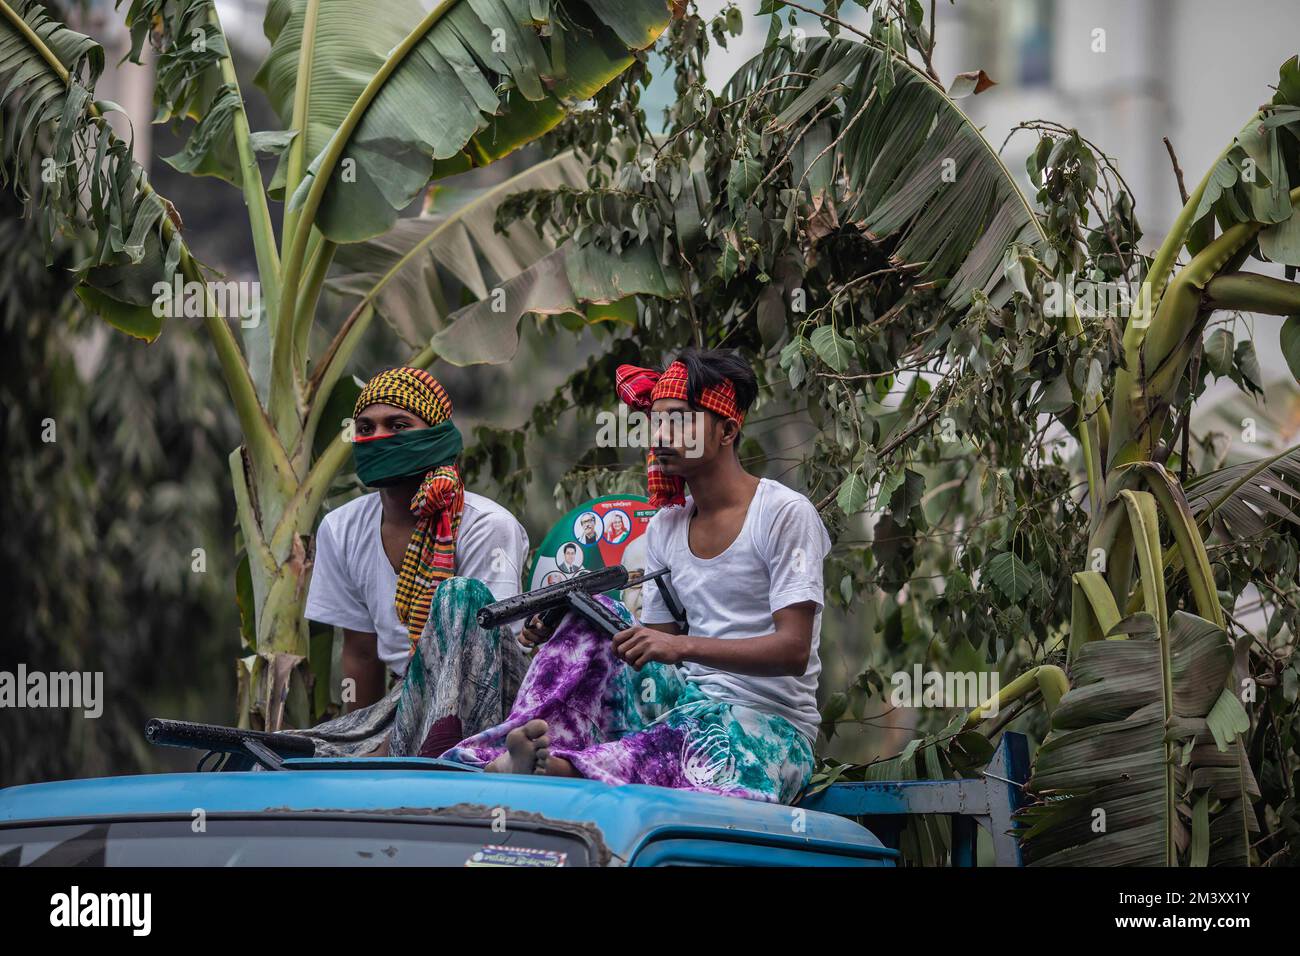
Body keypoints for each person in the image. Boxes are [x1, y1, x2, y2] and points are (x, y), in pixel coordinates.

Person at [440, 348, 830, 804]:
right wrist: (566, 625)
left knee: (673, 750)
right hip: (687, 702)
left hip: (769, 725)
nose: (662, 434)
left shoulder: (783, 513)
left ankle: (551, 767)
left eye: (681, 420)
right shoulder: (667, 524)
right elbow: (653, 646)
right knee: (596, 613)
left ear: (727, 430)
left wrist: (680, 646)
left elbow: (793, 651)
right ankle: (527, 740)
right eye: (657, 420)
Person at [296, 367, 529, 757]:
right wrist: (362, 746)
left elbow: (490, 648)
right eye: (365, 428)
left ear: (436, 434)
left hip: (494, 697)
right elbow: (360, 652)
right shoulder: (340, 528)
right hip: (400, 705)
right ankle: (409, 747)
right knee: (285, 754)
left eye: (398, 425)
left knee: (460, 595)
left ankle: (453, 751)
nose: (378, 437)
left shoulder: (487, 525)